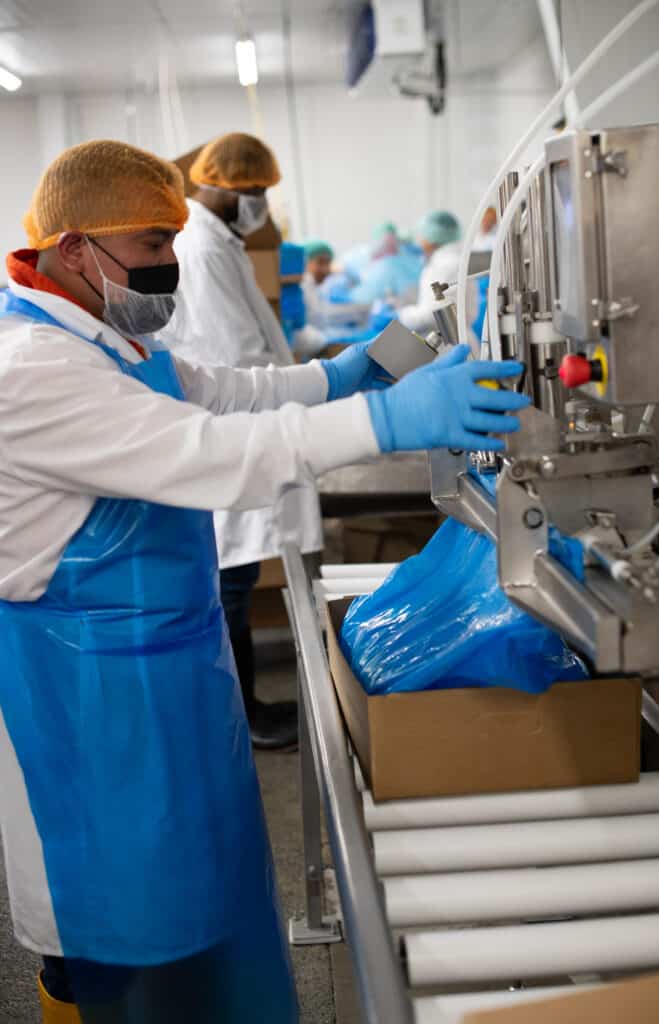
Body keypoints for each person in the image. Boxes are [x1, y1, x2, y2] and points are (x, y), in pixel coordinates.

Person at [0, 138, 528, 1024]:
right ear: (74, 248)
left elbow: (225, 395)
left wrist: (342, 374)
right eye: (149, 245)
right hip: (87, 708)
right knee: (124, 942)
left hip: (161, 675)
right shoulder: (33, 370)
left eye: (172, 240)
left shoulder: (106, 338)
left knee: (199, 917)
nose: (169, 262)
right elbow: (209, 453)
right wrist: (385, 419)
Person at [159, 133, 321, 750]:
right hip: (230, 429)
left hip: (241, 426)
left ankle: (244, 710)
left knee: (236, 577)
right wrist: (318, 389)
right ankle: (241, 718)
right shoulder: (201, 247)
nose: (260, 204)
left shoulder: (219, 242)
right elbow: (236, 353)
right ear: (226, 187)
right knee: (229, 581)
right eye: (254, 192)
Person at [399, 210, 469, 336]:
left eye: (422, 236)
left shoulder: (442, 265)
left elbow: (433, 314)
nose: (419, 241)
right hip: (456, 337)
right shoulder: (453, 260)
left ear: (433, 237)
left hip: (446, 343)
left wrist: (400, 315)